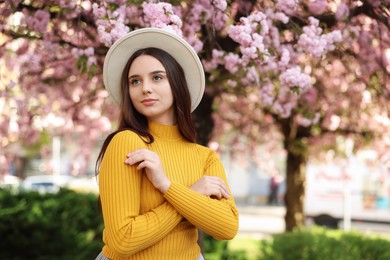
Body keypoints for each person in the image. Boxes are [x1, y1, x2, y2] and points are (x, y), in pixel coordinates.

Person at [95, 28, 239, 260]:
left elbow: (227, 227)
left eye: (157, 77)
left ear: (177, 83)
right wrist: (186, 193)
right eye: (135, 81)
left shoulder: (204, 157)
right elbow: (122, 240)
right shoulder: (128, 142)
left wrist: (168, 186)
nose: (145, 88)